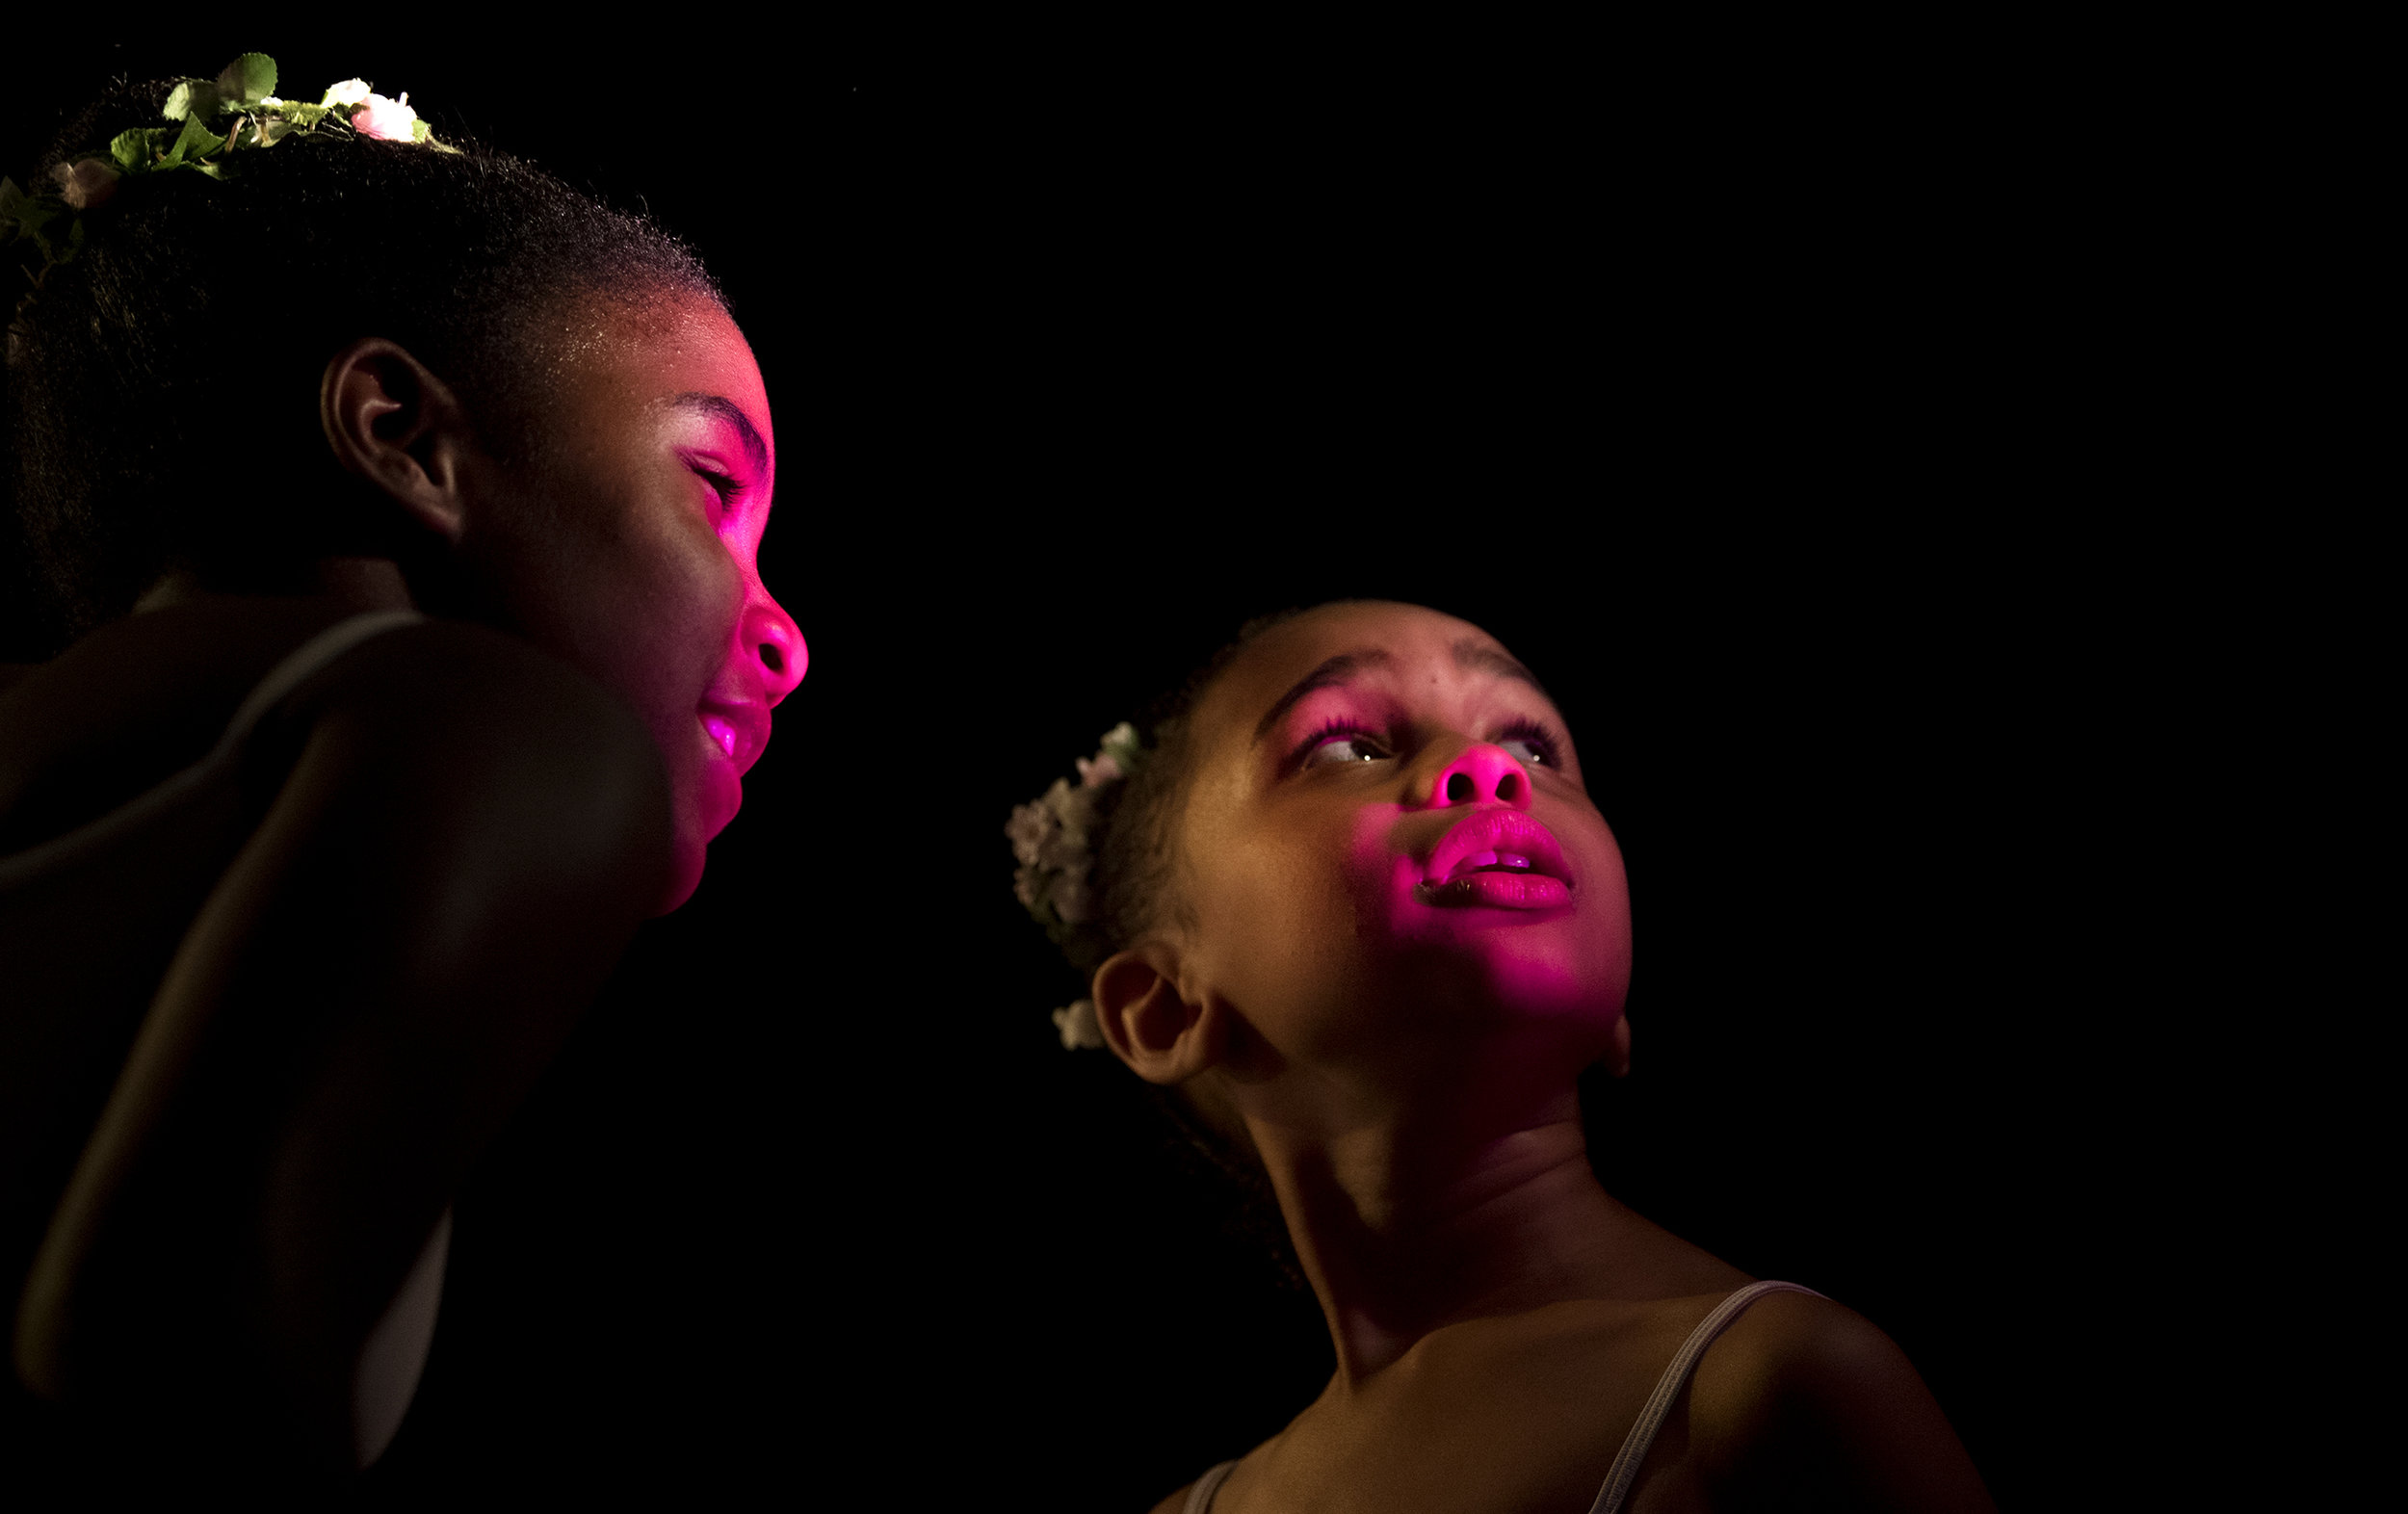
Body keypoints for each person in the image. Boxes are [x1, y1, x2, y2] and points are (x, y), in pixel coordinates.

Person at [0, 57, 801, 1485]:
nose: (785, 635)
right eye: (712, 489)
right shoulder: (500, 737)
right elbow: (168, 1362)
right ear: (401, 434)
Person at [1007, 601, 1992, 1513]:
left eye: (1530, 741)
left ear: (1617, 1010)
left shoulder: (1769, 1394)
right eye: (1345, 744)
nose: (1487, 770)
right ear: (1164, 1007)